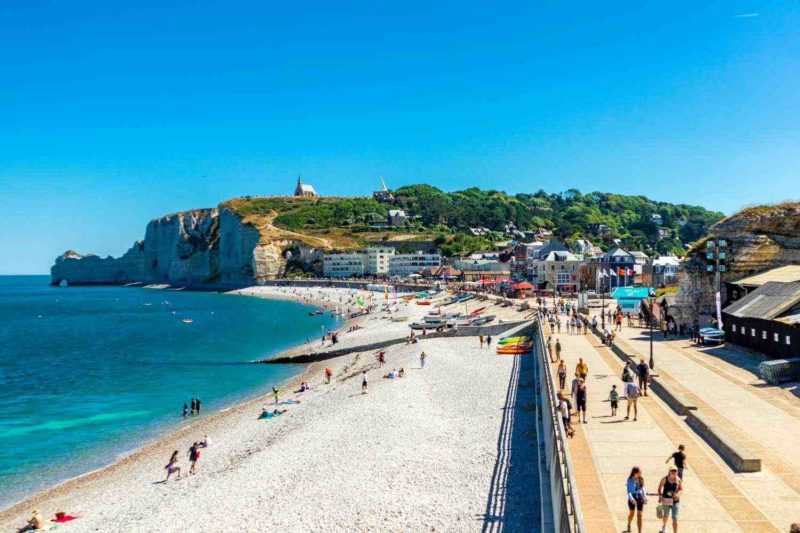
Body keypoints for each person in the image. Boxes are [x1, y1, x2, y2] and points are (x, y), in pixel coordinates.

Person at [657, 467, 683, 533]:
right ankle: (664, 526)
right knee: (665, 516)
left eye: (675, 471)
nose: (673, 472)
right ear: (669, 471)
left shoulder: (678, 480)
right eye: (672, 470)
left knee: (675, 518)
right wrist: (660, 496)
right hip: (666, 501)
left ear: (677, 472)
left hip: (675, 501)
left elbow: (681, 489)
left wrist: (677, 495)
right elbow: (659, 488)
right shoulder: (664, 479)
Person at [626, 466, 647, 533]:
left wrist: (645, 497)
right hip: (632, 497)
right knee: (632, 514)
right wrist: (632, 499)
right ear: (635, 473)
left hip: (639, 497)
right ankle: (629, 525)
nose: (641, 473)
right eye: (639, 472)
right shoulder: (630, 480)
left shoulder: (641, 479)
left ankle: (639, 531)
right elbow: (629, 491)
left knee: (640, 515)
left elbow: (643, 489)